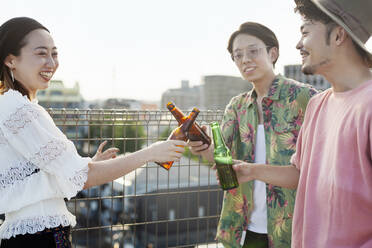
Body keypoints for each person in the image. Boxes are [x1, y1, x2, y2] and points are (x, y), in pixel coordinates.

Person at [0, 17, 186, 247]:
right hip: (40, 238)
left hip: (30, 234)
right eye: (41, 53)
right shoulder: (21, 110)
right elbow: (82, 178)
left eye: (54, 53)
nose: (51, 62)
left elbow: (51, 176)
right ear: (10, 60)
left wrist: (90, 164)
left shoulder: (12, 105)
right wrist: (151, 153)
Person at [232, 0, 372, 247]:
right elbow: (301, 174)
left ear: (339, 35)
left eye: (305, 32)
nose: (298, 44)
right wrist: (251, 170)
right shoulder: (318, 105)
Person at [189, 22, 317, 248]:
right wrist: (202, 146)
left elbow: (319, 168)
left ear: (273, 53)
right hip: (243, 227)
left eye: (253, 51)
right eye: (238, 55)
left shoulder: (306, 98)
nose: (245, 59)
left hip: (292, 228)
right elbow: (221, 159)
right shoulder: (236, 106)